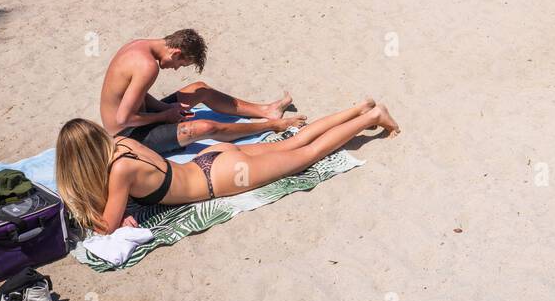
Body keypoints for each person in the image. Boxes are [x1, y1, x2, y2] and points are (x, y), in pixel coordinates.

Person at [57, 100, 399, 233]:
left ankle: (371, 117)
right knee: (293, 143)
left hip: (215, 179)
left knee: (307, 156)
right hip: (213, 159)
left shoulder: (119, 173)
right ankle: (356, 109)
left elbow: (106, 225)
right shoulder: (124, 145)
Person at [99, 29, 305, 155]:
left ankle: (266, 110)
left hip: (137, 117)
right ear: (176, 52)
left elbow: (136, 94)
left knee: (200, 90)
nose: (176, 68)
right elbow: (124, 118)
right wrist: (164, 115)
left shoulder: (138, 46)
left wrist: (166, 108)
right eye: (181, 63)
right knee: (205, 127)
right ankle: (274, 125)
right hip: (126, 135)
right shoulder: (147, 66)